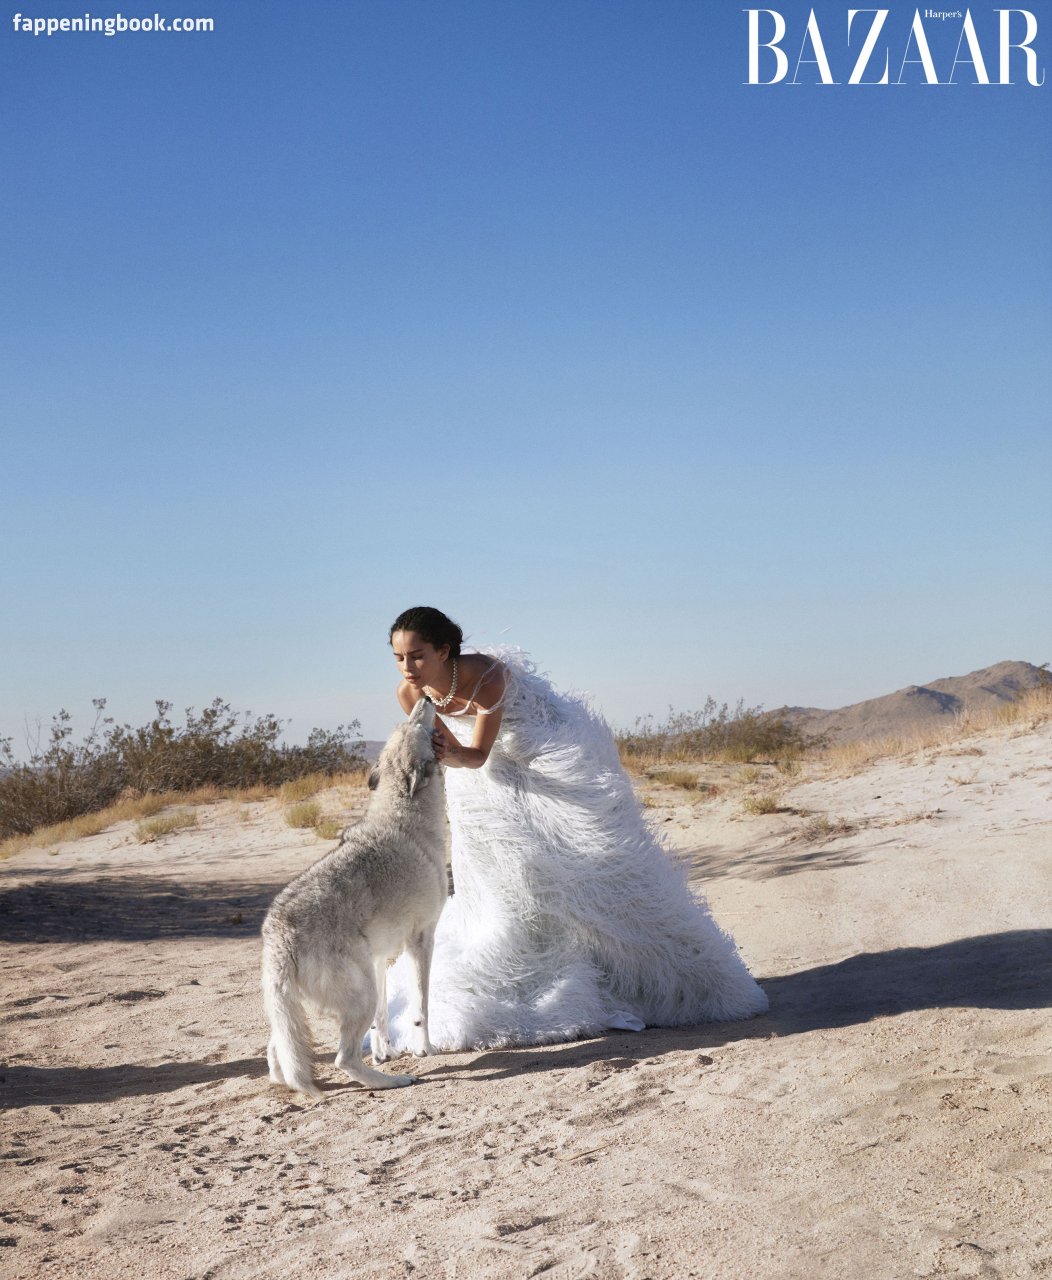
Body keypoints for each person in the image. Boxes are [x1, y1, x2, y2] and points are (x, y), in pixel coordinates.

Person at [383, 605, 768, 1051]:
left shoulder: (488, 675)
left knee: (582, 864)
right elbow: (459, 757)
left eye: (417, 655)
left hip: (543, 748)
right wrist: (438, 752)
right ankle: (537, 969)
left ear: (444, 651)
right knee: (506, 870)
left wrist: (451, 753)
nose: (407, 667)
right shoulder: (410, 694)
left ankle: (647, 974)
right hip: (479, 777)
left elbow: (478, 753)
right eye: (398, 657)